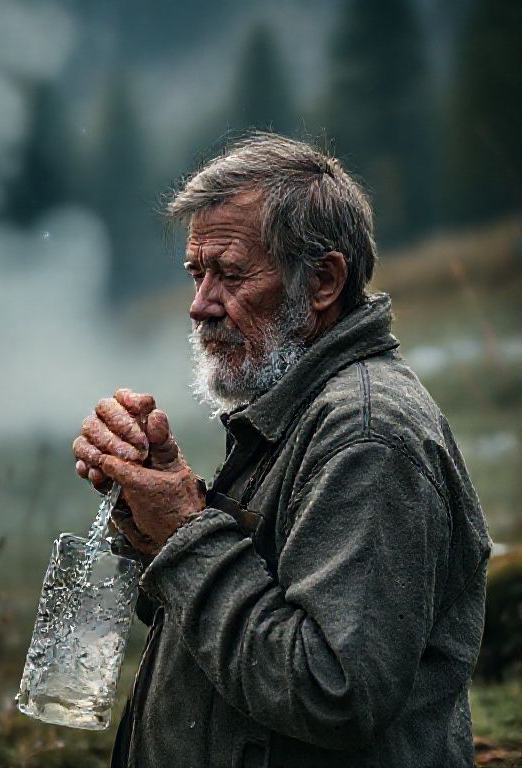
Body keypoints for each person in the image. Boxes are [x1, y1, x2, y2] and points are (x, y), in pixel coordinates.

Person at [72, 133, 491, 768]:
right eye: (196, 272)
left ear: (323, 281)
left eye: (231, 274)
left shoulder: (368, 437)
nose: (199, 305)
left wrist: (187, 530)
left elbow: (332, 694)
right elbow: (224, 626)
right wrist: (148, 514)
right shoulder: (298, 408)